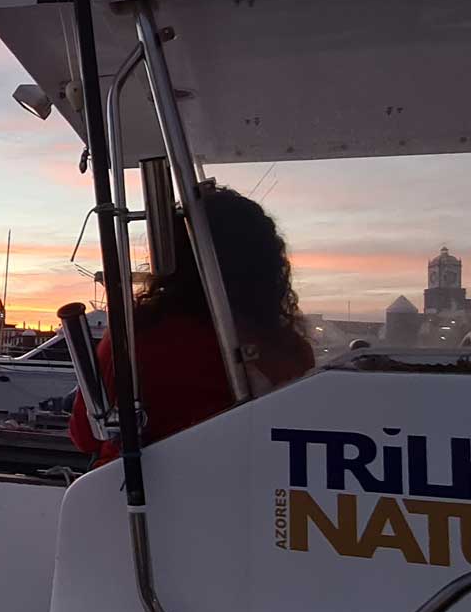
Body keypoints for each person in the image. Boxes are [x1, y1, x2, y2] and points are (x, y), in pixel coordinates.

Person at [70, 184, 313, 461]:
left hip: (136, 496)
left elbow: (85, 435)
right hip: (248, 492)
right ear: (268, 264)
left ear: (172, 257)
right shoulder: (287, 349)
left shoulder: (137, 335)